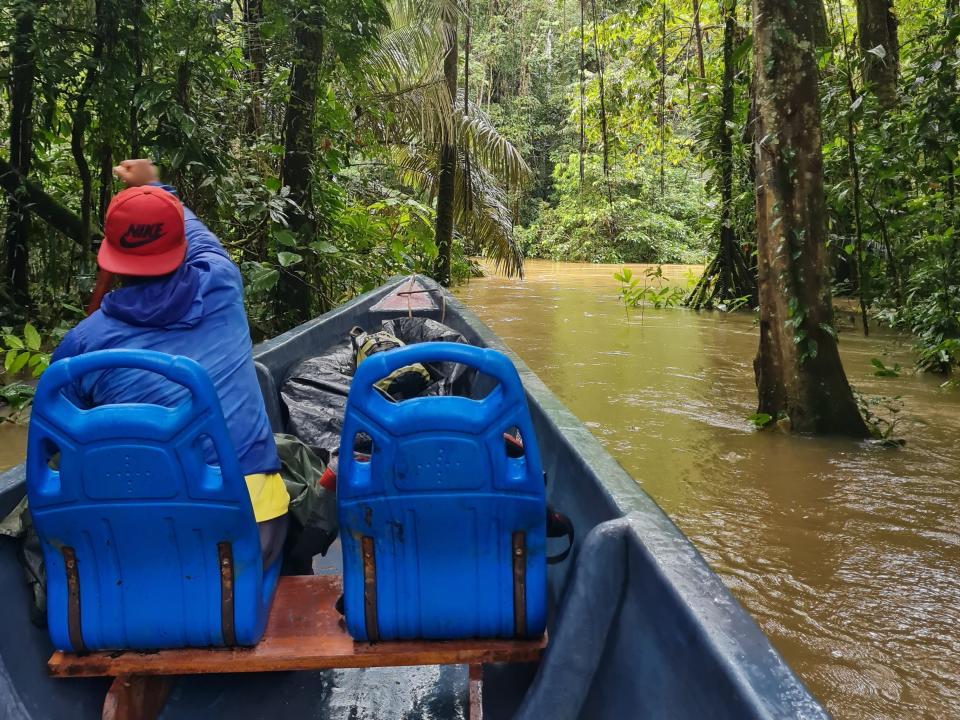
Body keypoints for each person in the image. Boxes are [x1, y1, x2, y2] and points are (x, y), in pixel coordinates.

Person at [48, 159, 335, 571]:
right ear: (178, 245)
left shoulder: (82, 346)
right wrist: (153, 186)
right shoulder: (220, 281)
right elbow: (195, 234)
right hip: (251, 528)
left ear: (111, 257)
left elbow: (58, 440)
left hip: (149, 537)